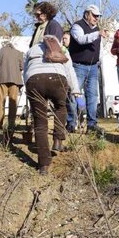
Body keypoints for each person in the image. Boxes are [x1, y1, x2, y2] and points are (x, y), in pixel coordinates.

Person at [24, 35, 81, 175]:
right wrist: (75, 90)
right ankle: (57, 139)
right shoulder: (62, 49)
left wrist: (28, 86)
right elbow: (70, 70)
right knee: (61, 107)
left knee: (40, 123)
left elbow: (25, 71)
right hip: (57, 79)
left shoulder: (31, 50)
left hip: (34, 80)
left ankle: (43, 165)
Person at [67, 4, 109, 134]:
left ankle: (92, 124)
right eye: (94, 15)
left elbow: (99, 49)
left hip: (93, 67)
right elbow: (81, 39)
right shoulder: (77, 26)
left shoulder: (97, 30)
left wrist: (99, 62)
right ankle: (71, 123)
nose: (97, 18)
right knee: (74, 94)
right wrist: (97, 34)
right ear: (87, 14)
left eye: (98, 16)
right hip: (78, 66)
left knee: (92, 96)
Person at [0, 40, 24, 132]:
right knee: (13, 102)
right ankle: (11, 124)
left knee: (0, 102)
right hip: (15, 80)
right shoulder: (19, 53)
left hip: (1, 79)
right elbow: (22, 67)